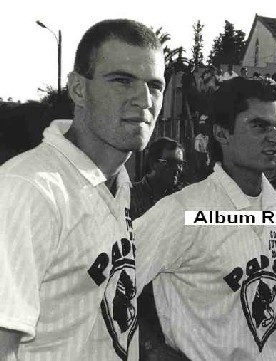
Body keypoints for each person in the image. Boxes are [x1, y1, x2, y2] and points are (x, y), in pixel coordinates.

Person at [0, 19, 165, 360]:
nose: (144, 99)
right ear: (78, 89)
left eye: (155, 85)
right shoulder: (28, 190)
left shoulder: (116, 184)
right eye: (122, 80)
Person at [134, 77, 276, 360]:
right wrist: (152, 351)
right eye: (259, 126)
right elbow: (105, 286)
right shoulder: (182, 210)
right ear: (222, 133)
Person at [131, 137, 184, 220]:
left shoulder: (182, 196)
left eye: (180, 164)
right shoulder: (130, 196)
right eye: (170, 162)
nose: (178, 169)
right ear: (153, 164)